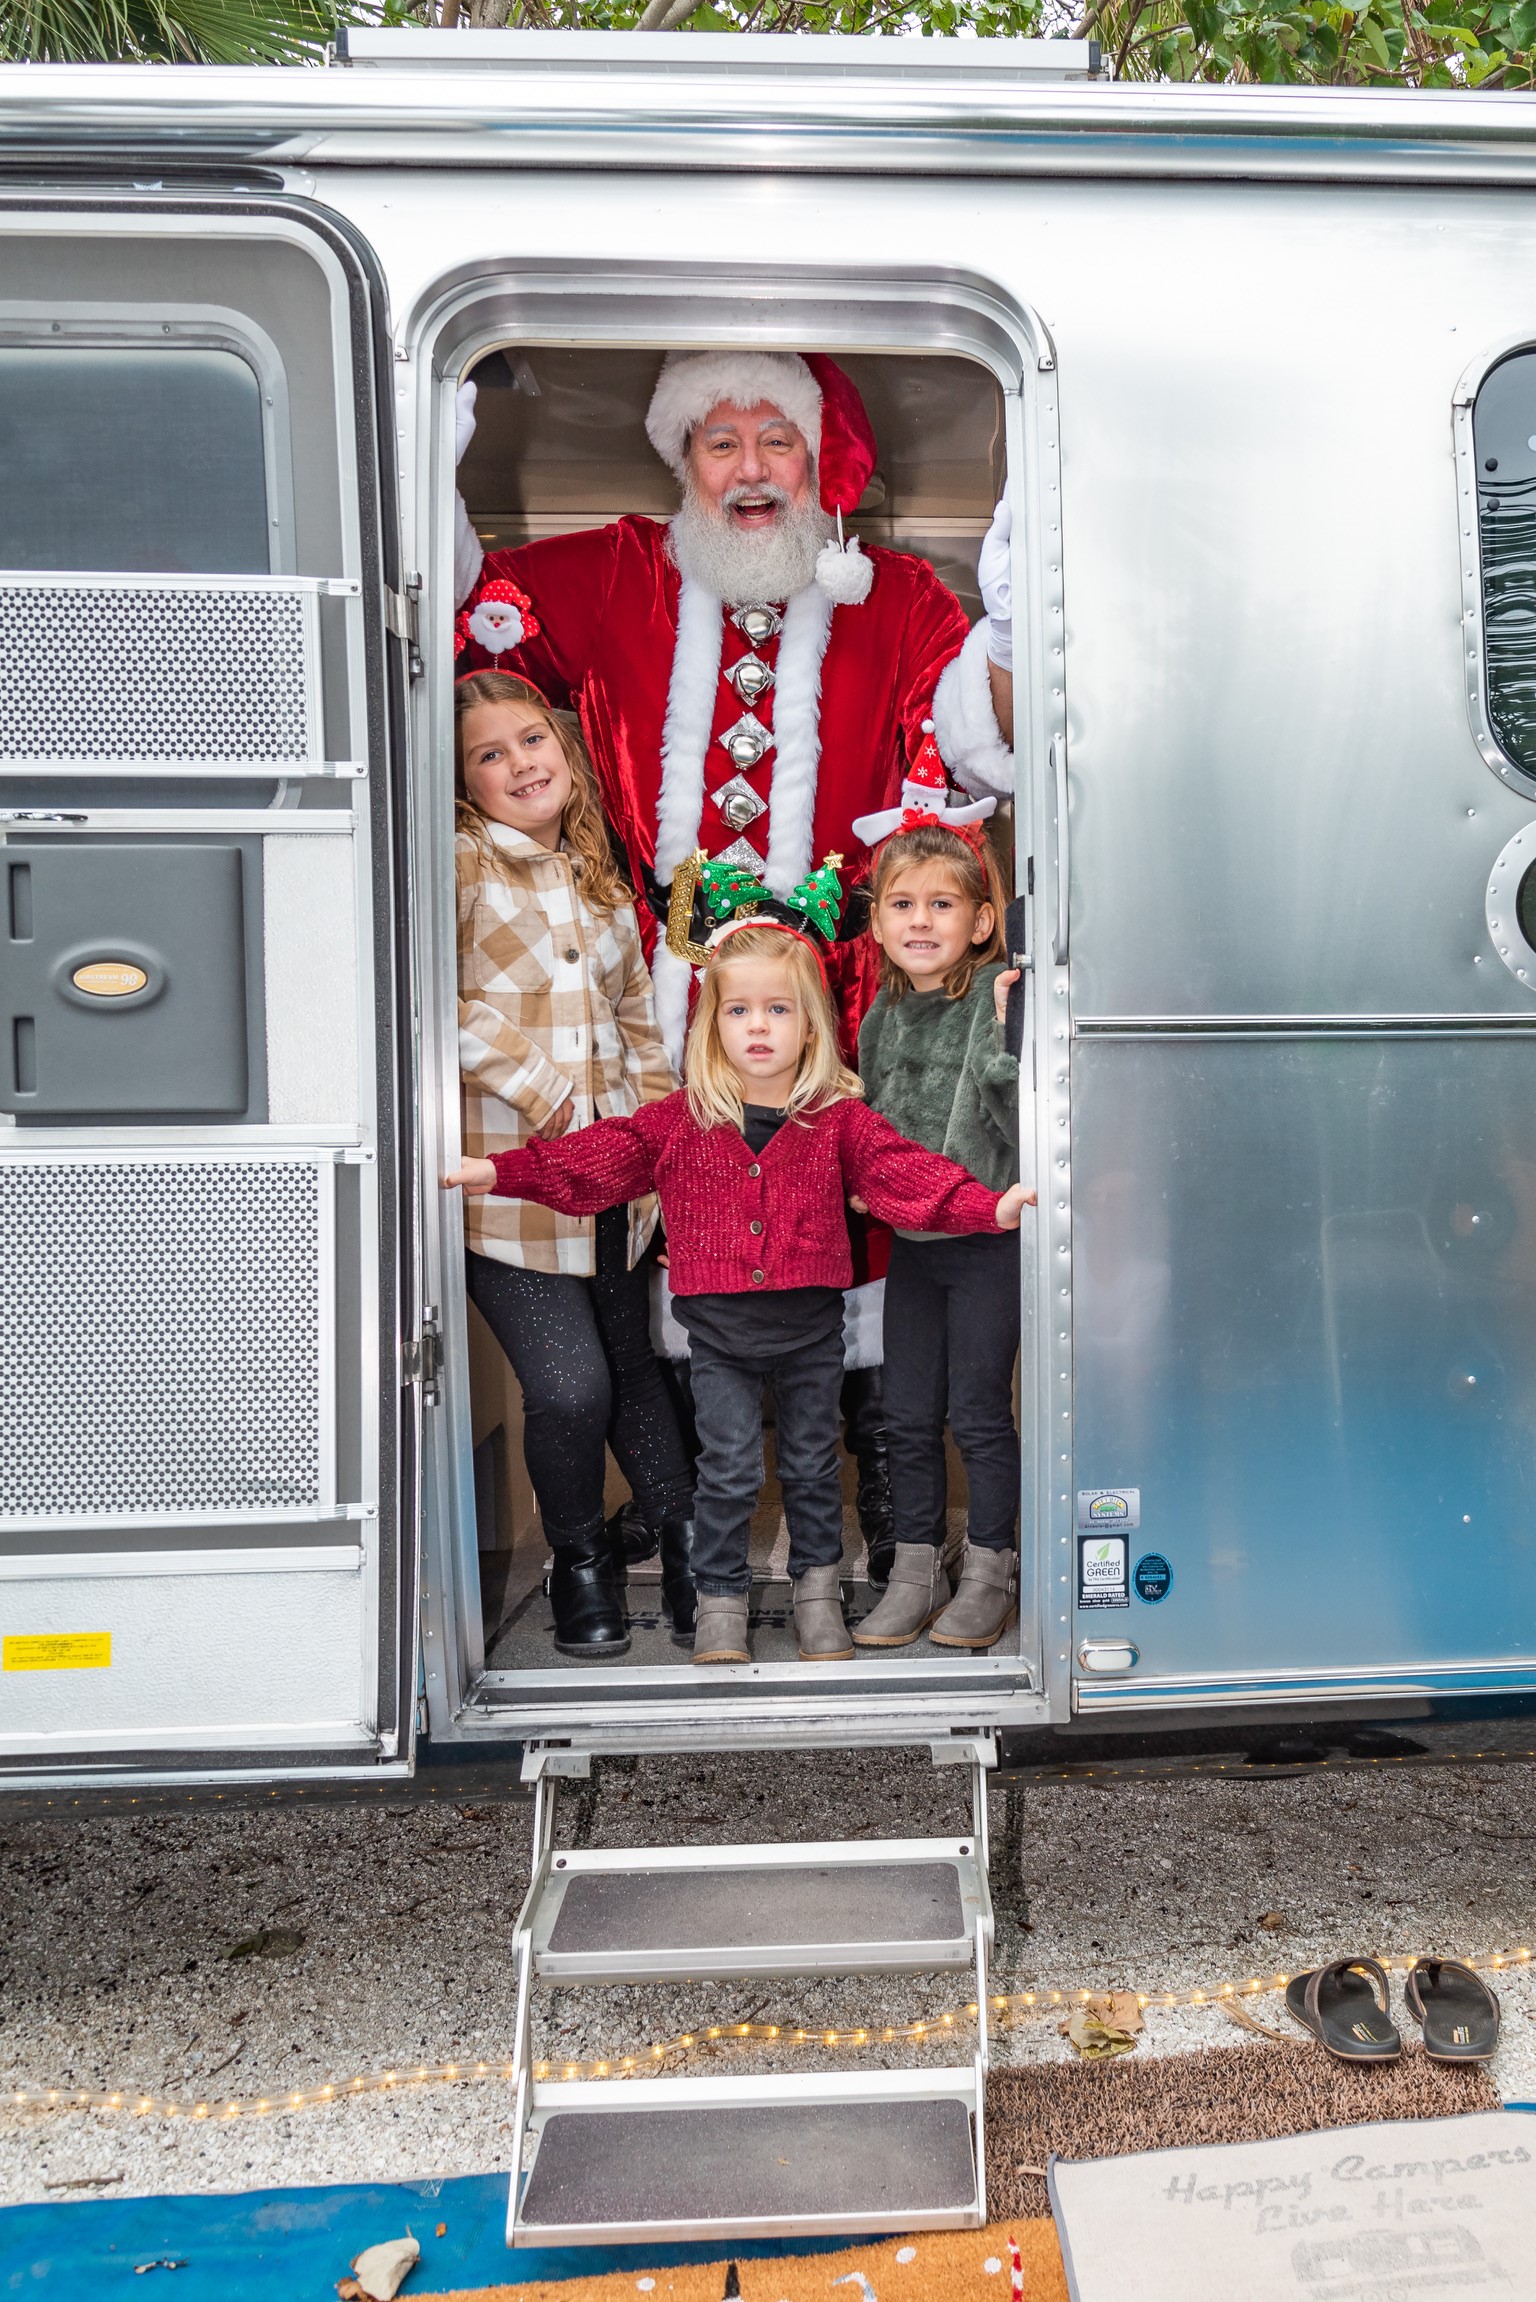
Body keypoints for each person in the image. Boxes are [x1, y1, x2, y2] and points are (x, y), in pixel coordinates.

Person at [452, 350, 1020, 1582]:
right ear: (683, 460)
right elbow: (463, 635)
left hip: (841, 1000)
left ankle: (877, 1542)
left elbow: (970, 752)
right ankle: (702, 1548)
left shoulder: (902, 594)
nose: (751, 468)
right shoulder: (604, 573)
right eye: (723, 441)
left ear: (818, 460)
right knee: (684, 1238)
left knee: (855, 1249)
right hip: (667, 1001)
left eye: (778, 440)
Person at [445, 909, 1034, 1669]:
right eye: (739, 1010)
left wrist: (989, 1205)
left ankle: (817, 1598)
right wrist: (500, 1172)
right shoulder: (678, 1122)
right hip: (717, 1339)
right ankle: (722, 1602)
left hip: (810, 1334)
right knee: (724, 1472)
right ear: (710, 1026)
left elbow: (904, 1175)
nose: (759, 1027)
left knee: (813, 1468)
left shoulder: (837, 1120)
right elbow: (593, 1161)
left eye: (778, 1010)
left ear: (811, 1028)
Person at [454, 668, 696, 1661]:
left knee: (635, 1372)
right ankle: (579, 1557)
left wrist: (655, 1143)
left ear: (565, 752)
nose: (519, 763)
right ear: (464, 784)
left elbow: (640, 1025)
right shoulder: (461, 866)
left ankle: (695, 1553)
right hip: (507, 1194)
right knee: (569, 1391)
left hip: (612, 1189)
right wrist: (549, 1090)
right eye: (489, 753)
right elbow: (437, 1002)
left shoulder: (599, 881)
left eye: (530, 741)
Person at [850, 809, 1027, 1654]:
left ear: (981, 921)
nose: (921, 922)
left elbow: (1015, 1116)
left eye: (942, 906)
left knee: (978, 1412)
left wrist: (1004, 1038)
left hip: (986, 1241)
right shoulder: (881, 1018)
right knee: (905, 1414)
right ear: (878, 921)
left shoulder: (994, 1003)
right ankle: (915, 1571)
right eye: (902, 905)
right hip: (912, 1249)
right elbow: (875, 1124)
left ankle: (993, 1570)